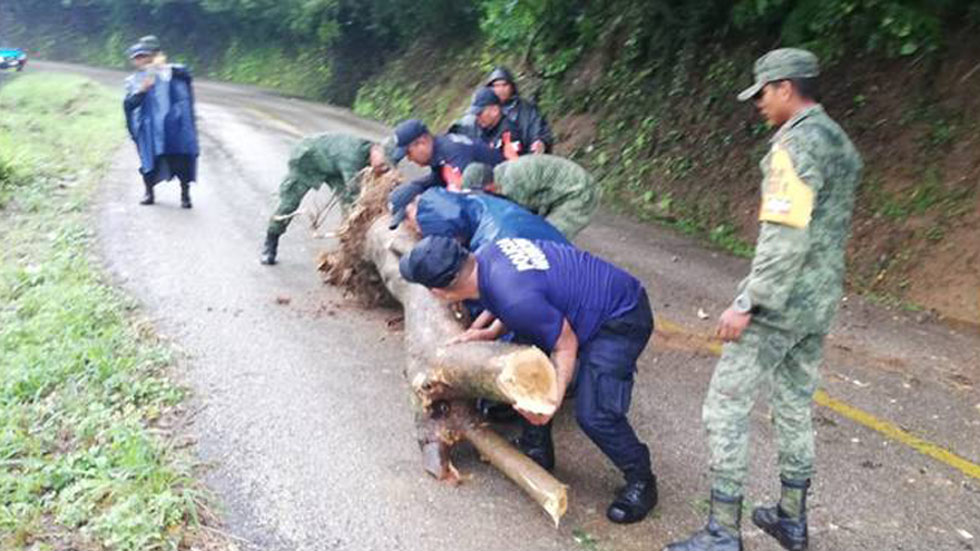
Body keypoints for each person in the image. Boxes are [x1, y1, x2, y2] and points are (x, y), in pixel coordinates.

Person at [665, 48, 862, 551]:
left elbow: (785, 238)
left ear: (785, 89)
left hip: (779, 304)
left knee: (724, 407)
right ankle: (791, 519)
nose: (759, 105)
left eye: (763, 94)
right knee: (794, 406)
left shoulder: (793, 147)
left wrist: (748, 303)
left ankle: (722, 532)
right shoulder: (839, 142)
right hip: (818, 303)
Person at [399, 235, 658, 524]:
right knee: (523, 359)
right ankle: (538, 449)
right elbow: (510, 300)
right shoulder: (485, 258)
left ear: (439, 292)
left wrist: (551, 403)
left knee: (595, 414)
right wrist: (488, 332)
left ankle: (642, 481)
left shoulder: (515, 296)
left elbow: (564, 343)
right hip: (591, 300)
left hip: (621, 317)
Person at [260, 133, 394, 265]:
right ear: (376, 149)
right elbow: (355, 190)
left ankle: (350, 252)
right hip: (309, 158)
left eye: (387, 167)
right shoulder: (353, 155)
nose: (383, 169)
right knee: (289, 202)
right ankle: (270, 242)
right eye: (382, 164)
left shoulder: (368, 156)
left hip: (333, 168)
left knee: (351, 209)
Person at [123, 35, 199, 208]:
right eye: (137, 57)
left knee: (181, 158)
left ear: (151, 55)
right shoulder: (133, 81)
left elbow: (186, 75)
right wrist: (142, 91)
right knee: (148, 161)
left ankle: (185, 195)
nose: (141, 60)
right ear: (133, 61)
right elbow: (129, 105)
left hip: (174, 127)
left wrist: (163, 68)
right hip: (149, 129)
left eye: (144, 55)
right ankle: (149, 192)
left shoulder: (170, 71)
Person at [386, 182, 569, 251]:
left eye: (406, 217)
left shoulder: (432, 216)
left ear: (415, 204)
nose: (410, 225)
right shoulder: (467, 199)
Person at [461, 155, 600, 239]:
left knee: (549, 238)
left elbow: (526, 219)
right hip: (564, 189)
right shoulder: (499, 173)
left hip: (579, 192)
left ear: (487, 187)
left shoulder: (512, 184)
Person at [391, 119, 504, 192]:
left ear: (422, 142)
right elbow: (438, 179)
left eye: (408, 153)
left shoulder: (452, 152)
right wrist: (415, 187)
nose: (410, 159)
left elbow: (470, 192)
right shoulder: (439, 150)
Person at [448, 88, 532, 160]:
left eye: (480, 113)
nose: (477, 118)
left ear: (495, 111)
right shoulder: (483, 130)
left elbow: (515, 166)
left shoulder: (509, 133)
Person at [485, 66, 553, 154]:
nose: (501, 89)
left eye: (504, 85)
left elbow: (540, 130)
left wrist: (540, 142)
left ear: (512, 87)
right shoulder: (483, 113)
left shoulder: (527, 109)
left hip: (525, 160)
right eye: (496, 86)